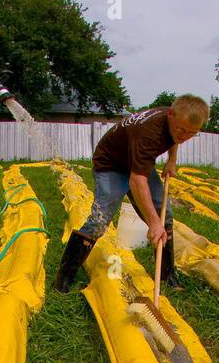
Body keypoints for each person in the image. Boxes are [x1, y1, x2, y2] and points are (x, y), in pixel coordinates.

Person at [53, 95, 210, 292]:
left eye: (191, 133)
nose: (184, 136)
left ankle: (167, 276)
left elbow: (174, 138)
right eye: (181, 129)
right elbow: (136, 181)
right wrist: (153, 224)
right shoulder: (149, 132)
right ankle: (63, 280)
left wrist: (172, 161)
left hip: (136, 162)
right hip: (110, 164)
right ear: (170, 115)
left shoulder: (175, 119)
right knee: (99, 221)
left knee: (165, 215)